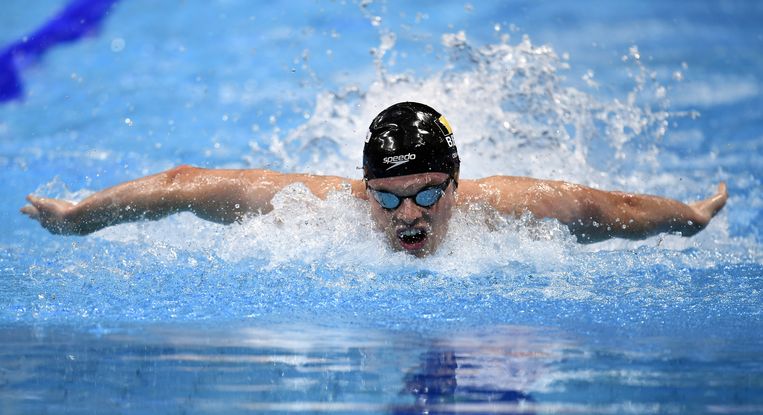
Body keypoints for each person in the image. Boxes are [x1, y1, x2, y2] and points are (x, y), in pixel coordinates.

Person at [21, 102, 727, 257]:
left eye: (426, 191)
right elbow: (185, 183)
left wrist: (686, 217)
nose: (406, 215)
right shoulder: (318, 209)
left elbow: (615, 206)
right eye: (386, 196)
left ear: (455, 184)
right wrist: (76, 215)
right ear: (364, 190)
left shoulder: (513, 209)